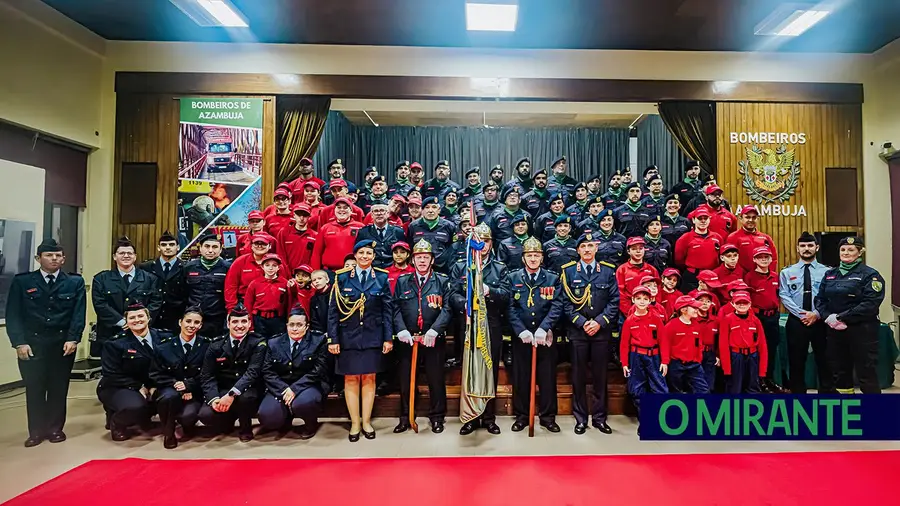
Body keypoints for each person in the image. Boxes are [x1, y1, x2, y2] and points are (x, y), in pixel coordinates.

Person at [6, 238, 86, 447]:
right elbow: (13, 314)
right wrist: (19, 342)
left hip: (61, 344)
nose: (54, 259)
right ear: (38, 258)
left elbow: (78, 314)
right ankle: (36, 431)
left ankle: (55, 429)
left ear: (63, 258)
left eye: (58, 255)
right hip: (32, 344)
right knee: (34, 388)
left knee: (59, 388)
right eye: (49, 255)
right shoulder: (23, 282)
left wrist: (73, 338)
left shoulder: (74, 282)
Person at [328, 240, 394, 441]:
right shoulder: (341, 277)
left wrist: (387, 337)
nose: (365, 256)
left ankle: (366, 421)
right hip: (348, 336)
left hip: (373, 336)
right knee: (350, 379)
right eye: (361, 253)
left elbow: (387, 311)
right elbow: (333, 312)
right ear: (354, 255)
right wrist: (333, 339)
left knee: (369, 378)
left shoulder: (382, 277)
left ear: (374, 257)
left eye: (369, 253)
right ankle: (354, 422)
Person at [451, 223, 510, 436]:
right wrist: (463, 304)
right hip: (467, 325)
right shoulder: (462, 266)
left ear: (491, 243)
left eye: (486, 241)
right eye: (479, 241)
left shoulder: (500, 268)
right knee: (468, 371)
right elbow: (453, 294)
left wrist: (489, 291)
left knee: (489, 370)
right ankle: (470, 417)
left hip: (491, 326)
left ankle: (489, 417)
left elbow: (506, 296)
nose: (482, 245)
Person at [560, 233, 620, 435]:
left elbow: (614, 301)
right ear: (577, 250)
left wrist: (600, 322)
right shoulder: (568, 272)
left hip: (601, 333)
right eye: (583, 246)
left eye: (590, 246)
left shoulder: (607, 271)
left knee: (600, 377)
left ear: (596, 249)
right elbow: (566, 304)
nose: (587, 249)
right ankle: (580, 418)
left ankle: (600, 418)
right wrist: (584, 323)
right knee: (578, 377)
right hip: (579, 332)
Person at [392, 239, 453, 434]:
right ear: (413, 260)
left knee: (436, 379)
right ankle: (405, 416)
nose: (422, 261)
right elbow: (394, 308)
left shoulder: (442, 281)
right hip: (407, 339)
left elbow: (448, 308)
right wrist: (400, 329)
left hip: (433, 338)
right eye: (419, 258)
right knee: (405, 380)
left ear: (432, 260)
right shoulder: (403, 281)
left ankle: (437, 417)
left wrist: (435, 330)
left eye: (426, 257)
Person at [814, 236, 885, 394]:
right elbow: (820, 299)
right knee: (839, 372)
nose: (846, 252)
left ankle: (875, 412)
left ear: (859, 253)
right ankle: (845, 407)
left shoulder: (870, 275)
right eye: (843, 249)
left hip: (862, 331)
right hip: (835, 331)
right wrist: (828, 317)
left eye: (851, 249)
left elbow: (870, 304)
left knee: (866, 373)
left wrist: (841, 317)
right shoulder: (830, 274)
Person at [508, 237, 564, 433]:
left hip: (545, 337)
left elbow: (557, 306)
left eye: (536, 255)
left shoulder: (552, 278)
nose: (533, 258)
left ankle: (548, 417)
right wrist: (521, 330)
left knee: (547, 378)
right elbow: (510, 307)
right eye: (529, 255)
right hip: (522, 338)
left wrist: (544, 328)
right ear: (523, 258)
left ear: (542, 258)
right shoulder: (513, 278)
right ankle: (522, 416)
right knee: (521, 378)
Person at [258, 308, 329, 438]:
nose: (295, 329)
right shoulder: (274, 342)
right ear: (287, 326)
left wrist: (294, 389)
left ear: (307, 327)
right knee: (267, 416)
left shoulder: (318, 341)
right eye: (291, 325)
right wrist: (284, 388)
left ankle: (310, 424)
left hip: (308, 385)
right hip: (281, 386)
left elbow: (319, 370)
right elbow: (267, 371)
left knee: (302, 403)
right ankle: (285, 420)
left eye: (299, 325)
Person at [97, 304, 165, 442]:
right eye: (132, 317)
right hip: (118, 386)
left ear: (148, 318)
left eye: (141, 316)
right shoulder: (115, 343)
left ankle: (143, 417)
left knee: (168, 397)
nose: (137, 320)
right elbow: (111, 373)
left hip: (151, 384)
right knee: (134, 406)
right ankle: (117, 422)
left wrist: (153, 386)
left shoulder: (163, 337)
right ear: (126, 321)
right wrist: (138, 386)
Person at [199, 305, 265, 441]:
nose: (239, 326)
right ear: (228, 324)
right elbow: (207, 375)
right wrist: (213, 398)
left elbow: (252, 373)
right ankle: (226, 422)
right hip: (223, 389)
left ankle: (245, 428)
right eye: (235, 321)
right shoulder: (216, 345)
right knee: (206, 415)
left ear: (249, 323)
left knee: (246, 398)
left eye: (243, 321)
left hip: (247, 389)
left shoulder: (258, 343)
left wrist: (231, 394)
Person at [779, 232, 831, 394]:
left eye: (810, 246)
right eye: (803, 246)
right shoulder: (787, 272)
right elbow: (783, 295)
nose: (806, 249)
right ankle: (798, 394)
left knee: (824, 359)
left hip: (820, 320)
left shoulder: (827, 272)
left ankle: (827, 393)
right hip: (797, 321)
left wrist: (816, 314)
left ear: (817, 247)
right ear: (797, 249)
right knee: (796, 360)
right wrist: (802, 314)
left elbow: (829, 296)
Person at [150, 307, 209, 449]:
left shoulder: (207, 346)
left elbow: (208, 374)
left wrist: (189, 386)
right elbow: (155, 374)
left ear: (200, 325)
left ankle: (187, 425)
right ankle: (168, 433)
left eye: (196, 322)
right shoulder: (164, 346)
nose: (191, 325)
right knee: (169, 398)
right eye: (188, 321)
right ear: (180, 322)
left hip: (194, 392)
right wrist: (177, 385)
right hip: (169, 390)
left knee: (187, 417)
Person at [91, 237, 162, 352]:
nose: (126, 256)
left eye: (130, 253)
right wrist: (124, 322)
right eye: (121, 253)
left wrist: (138, 322)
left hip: (141, 333)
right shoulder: (101, 279)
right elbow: (100, 304)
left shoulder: (149, 279)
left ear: (135, 257)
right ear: (114, 256)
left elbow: (155, 303)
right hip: (111, 334)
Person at [620, 285, 667, 432]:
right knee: (637, 389)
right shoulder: (630, 321)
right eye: (638, 298)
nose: (642, 301)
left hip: (654, 357)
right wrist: (625, 363)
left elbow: (663, 340)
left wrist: (665, 361)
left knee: (659, 389)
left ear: (650, 300)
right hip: (636, 357)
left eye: (645, 299)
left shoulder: (656, 319)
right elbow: (624, 344)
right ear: (633, 300)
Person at [743, 246, 782, 392]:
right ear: (754, 259)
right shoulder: (749, 277)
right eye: (760, 257)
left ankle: (769, 380)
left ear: (771, 259)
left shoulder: (775, 276)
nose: (764, 259)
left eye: (766, 257)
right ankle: (757, 382)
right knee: (758, 351)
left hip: (773, 317)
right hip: (758, 318)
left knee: (771, 350)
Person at [182, 233, 230, 338]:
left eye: (215, 247)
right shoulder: (189, 267)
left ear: (221, 250)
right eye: (207, 246)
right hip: (194, 319)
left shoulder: (228, 268)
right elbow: (182, 293)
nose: (210, 250)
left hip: (217, 318)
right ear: (200, 249)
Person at [719, 292, 768, 393]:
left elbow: (762, 345)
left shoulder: (755, 320)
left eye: (745, 302)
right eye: (738, 302)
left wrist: (762, 370)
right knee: (734, 387)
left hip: (752, 357)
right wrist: (727, 368)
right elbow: (723, 344)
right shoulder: (728, 319)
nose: (742, 305)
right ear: (733, 304)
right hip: (736, 357)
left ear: (750, 304)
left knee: (753, 387)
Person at [139, 231, 185, 332]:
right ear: (158, 247)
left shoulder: (186, 268)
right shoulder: (146, 267)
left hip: (175, 320)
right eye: (164, 245)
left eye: (171, 244)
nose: (168, 247)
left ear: (178, 247)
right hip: (151, 319)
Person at [662, 296, 709, 394]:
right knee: (676, 391)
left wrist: (698, 359)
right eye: (694, 308)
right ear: (684, 310)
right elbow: (665, 345)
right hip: (676, 364)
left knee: (703, 390)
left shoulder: (696, 325)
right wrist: (665, 362)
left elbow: (698, 344)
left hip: (694, 364)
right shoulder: (671, 326)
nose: (697, 310)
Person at [674, 207, 723, 292]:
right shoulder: (685, 238)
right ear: (693, 220)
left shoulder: (717, 237)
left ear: (709, 220)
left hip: (712, 276)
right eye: (700, 218)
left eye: (705, 218)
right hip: (693, 277)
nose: (703, 221)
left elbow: (721, 256)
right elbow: (679, 260)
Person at [224, 232, 276, 311]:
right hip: (244, 305)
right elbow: (230, 287)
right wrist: (232, 309)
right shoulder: (240, 262)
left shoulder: (278, 263)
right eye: (256, 243)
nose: (259, 246)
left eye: (263, 243)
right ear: (251, 246)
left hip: (270, 305)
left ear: (270, 246)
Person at [310, 198, 365, 272]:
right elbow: (316, 253)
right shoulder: (325, 228)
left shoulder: (360, 227)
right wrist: (315, 272)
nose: (342, 210)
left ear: (351, 211)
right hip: (330, 272)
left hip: (353, 272)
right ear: (334, 210)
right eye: (339, 207)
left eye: (345, 207)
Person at [244, 253, 290, 338]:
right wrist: (250, 326)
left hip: (278, 320)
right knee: (260, 344)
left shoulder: (285, 283)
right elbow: (248, 305)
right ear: (262, 267)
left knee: (277, 344)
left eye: (274, 265)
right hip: (259, 320)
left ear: (279, 267)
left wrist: (288, 321)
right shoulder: (254, 284)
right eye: (267, 265)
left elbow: (289, 305)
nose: (270, 268)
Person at [408, 197, 457, 273]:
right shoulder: (413, 226)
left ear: (439, 210)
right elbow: (410, 247)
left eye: (434, 207)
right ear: (422, 210)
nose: (430, 211)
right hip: (419, 270)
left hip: (443, 270)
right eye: (427, 207)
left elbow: (452, 248)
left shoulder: (449, 226)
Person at [616, 237, 660, 318]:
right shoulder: (622, 270)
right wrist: (630, 312)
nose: (638, 251)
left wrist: (651, 309)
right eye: (634, 249)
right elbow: (620, 294)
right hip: (629, 313)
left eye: (641, 248)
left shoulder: (652, 270)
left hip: (649, 311)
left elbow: (658, 291)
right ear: (628, 251)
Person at [727, 205, 778, 273]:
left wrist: (768, 275)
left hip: (762, 278)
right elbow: (729, 259)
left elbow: (773, 259)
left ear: (758, 219)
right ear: (740, 218)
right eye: (747, 217)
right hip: (742, 279)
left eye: (754, 217)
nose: (751, 220)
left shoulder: (766, 238)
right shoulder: (733, 237)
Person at [356, 203, 406, 269]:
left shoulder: (398, 232)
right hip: (371, 270)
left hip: (393, 270)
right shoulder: (363, 232)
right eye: (376, 211)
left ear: (388, 214)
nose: (379, 213)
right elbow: (358, 252)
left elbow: (404, 252)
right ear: (372, 215)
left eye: (382, 210)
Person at [277, 203, 317, 274]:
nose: (301, 218)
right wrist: (287, 274)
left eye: (305, 215)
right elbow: (281, 256)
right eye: (299, 215)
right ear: (294, 215)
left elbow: (314, 258)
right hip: (287, 275)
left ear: (309, 217)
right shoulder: (284, 233)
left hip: (306, 276)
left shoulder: (314, 236)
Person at [694, 291, 719, 391]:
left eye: (708, 301)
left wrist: (718, 355)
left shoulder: (715, 321)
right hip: (696, 354)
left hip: (710, 354)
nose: (705, 303)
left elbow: (719, 340)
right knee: (697, 383)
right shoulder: (692, 320)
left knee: (709, 382)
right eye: (701, 301)